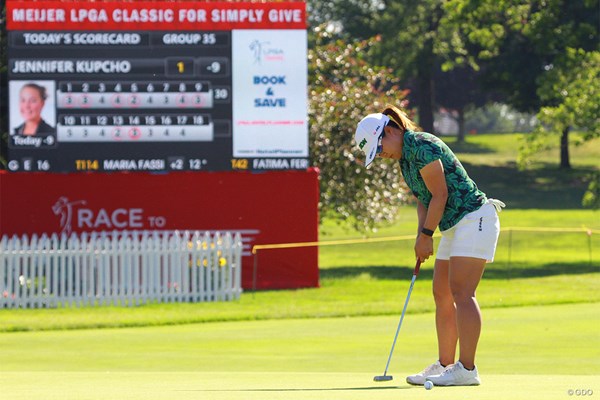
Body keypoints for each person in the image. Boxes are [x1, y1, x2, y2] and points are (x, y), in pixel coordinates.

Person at [354, 105, 504, 386]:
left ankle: (467, 369)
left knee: (462, 291)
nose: (382, 154)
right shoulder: (405, 161)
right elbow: (423, 199)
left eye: (380, 146)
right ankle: (445, 364)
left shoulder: (422, 145)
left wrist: (426, 235)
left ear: (390, 131)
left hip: (474, 218)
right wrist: (421, 236)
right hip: (453, 225)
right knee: (442, 293)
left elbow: (440, 194)